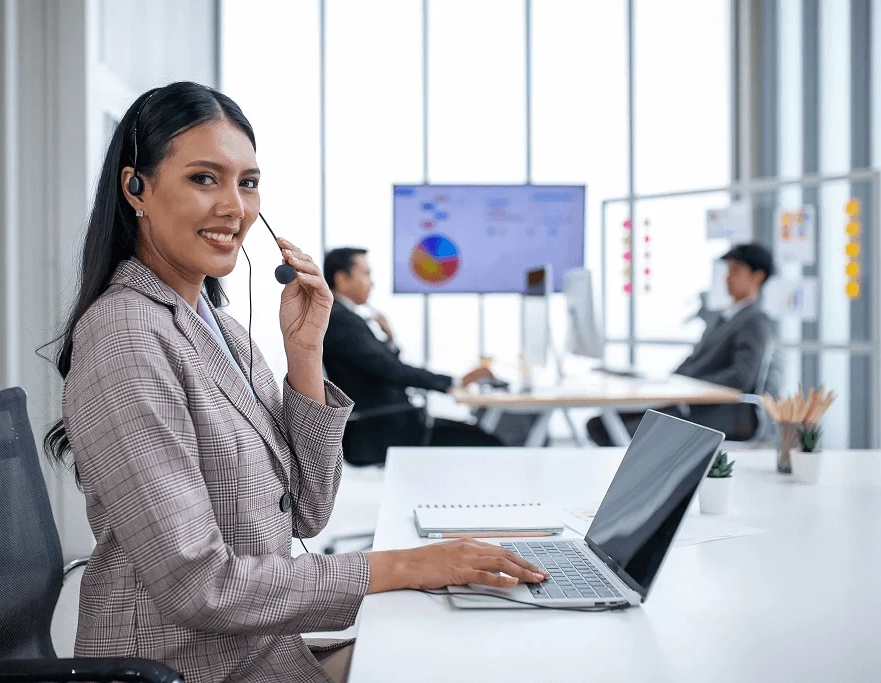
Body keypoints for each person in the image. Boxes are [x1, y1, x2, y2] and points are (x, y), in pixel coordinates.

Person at [44, 82, 545, 683]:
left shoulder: (223, 332)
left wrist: (305, 353)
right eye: (205, 178)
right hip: (188, 669)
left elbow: (308, 510)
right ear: (137, 189)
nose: (234, 207)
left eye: (247, 182)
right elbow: (198, 585)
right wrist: (406, 566)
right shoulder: (126, 336)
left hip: (265, 651)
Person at [321, 247, 504, 465]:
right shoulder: (343, 321)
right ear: (342, 279)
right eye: (366, 274)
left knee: (478, 435)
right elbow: (392, 370)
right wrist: (455, 381)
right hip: (383, 429)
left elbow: (381, 365)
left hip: (387, 422)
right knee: (488, 442)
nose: (372, 283)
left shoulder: (343, 317)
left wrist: (389, 339)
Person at [586, 243, 777, 447]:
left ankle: (644, 476)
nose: (727, 277)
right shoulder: (726, 317)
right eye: (728, 270)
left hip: (718, 413)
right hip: (691, 403)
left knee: (615, 430)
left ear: (758, 277)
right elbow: (695, 360)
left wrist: (692, 386)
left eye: (735, 271)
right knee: (601, 423)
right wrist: (671, 381)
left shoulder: (755, 320)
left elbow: (741, 377)